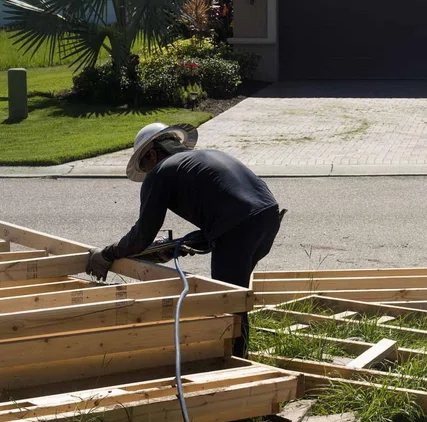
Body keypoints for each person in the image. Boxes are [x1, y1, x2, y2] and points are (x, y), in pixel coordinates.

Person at [87, 122, 281, 357]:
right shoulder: (205, 157)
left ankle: (236, 361)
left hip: (239, 227)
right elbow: (232, 203)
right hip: (268, 217)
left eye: (146, 165)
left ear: (151, 153)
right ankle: (237, 353)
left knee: (228, 301)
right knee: (236, 293)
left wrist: (108, 254)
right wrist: (198, 239)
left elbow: (143, 235)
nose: (147, 172)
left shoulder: (160, 173)